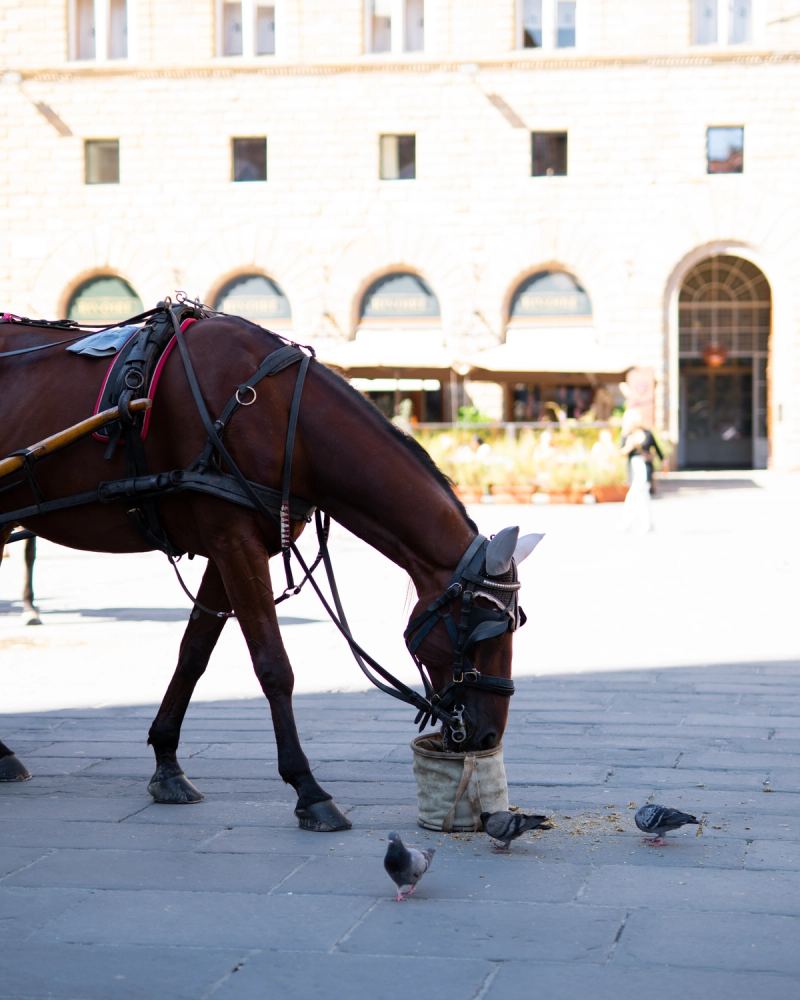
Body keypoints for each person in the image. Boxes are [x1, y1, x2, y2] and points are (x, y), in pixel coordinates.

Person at [619, 409, 663, 533]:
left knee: (639, 494)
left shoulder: (647, 433)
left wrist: (659, 461)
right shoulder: (627, 435)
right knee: (639, 495)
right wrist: (630, 446)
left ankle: (635, 523)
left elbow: (657, 450)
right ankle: (642, 523)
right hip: (634, 467)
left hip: (645, 467)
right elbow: (621, 452)